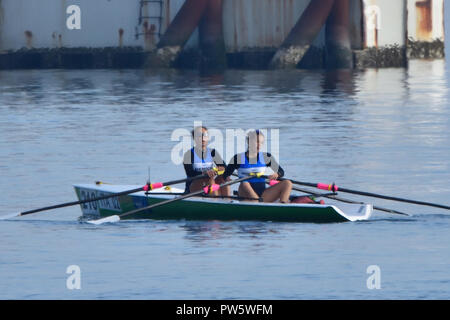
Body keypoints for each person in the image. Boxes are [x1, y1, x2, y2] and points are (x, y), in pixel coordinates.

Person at [222, 130, 292, 203]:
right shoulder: (238, 158)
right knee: (244, 183)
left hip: (263, 195)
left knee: (287, 183)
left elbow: (281, 171)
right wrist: (227, 178)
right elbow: (226, 174)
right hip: (245, 193)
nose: (259, 145)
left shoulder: (266, 157)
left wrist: (277, 174)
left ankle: (283, 205)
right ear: (249, 142)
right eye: (257, 142)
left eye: (261, 142)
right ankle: (258, 204)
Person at [183, 126, 230, 196]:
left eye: (205, 135)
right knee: (208, 177)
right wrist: (204, 173)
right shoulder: (188, 154)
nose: (203, 139)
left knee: (224, 177)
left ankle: (227, 199)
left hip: (208, 186)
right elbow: (190, 173)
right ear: (194, 138)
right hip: (194, 188)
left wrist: (219, 169)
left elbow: (225, 168)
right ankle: (215, 199)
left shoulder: (212, 152)